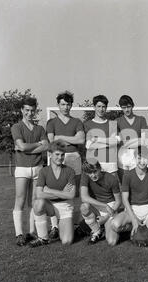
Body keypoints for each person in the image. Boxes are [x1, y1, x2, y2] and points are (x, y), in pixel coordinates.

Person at [110, 146, 148, 245]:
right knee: (114, 225)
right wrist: (134, 220)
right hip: (133, 208)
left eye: (145, 158)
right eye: (139, 158)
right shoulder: (127, 175)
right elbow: (125, 199)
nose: (142, 161)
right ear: (135, 158)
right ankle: (134, 227)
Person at [46, 91, 85, 238]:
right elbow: (52, 143)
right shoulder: (52, 122)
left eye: (68, 104)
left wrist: (60, 137)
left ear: (71, 105)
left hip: (74, 158)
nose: (66, 107)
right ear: (58, 105)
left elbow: (81, 140)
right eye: (63, 104)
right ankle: (55, 226)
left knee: (73, 192)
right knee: (55, 190)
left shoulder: (77, 122)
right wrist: (71, 139)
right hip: (57, 158)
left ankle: (74, 224)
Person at [11, 97, 49, 246]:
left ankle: (32, 232)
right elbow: (21, 146)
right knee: (19, 200)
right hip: (22, 168)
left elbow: (46, 146)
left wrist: (28, 147)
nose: (29, 113)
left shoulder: (40, 128)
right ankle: (19, 234)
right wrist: (37, 144)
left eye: (32, 110)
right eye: (26, 110)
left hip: (38, 168)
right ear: (22, 110)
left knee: (34, 202)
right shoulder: (16, 127)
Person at [29, 140, 76, 247]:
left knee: (66, 241)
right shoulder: (44, 171)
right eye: (57, 154)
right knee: (38, 203)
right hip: (50, 205)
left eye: (62, 155)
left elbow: (71, 195)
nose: (60, 157)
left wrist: (49, 190)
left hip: (65, 206)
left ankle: (61, 225)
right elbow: (39, 194)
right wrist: (62, 192)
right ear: (50, 155)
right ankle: (43, 238)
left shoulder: (70, 171)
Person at [79, 158, 121, 245]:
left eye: (95, 171)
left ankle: (107, 224)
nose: (93, 175)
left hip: (111, 206)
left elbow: (118, 202)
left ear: (99, 168)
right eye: (90, 173)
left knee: (112, 241)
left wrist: (105, 218)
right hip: (98, 204)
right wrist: (104, 205)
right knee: (84, 207)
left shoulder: (111, 179)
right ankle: (97, 232)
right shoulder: (85, 176)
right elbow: (84, 197)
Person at [84, 95, 119, 176]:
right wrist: (108, 142)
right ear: (94, 107)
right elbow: (89, 145)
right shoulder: (87, 124)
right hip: (93, 163)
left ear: (106, 108)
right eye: (99, 106)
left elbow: (115, 142)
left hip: (111, 163)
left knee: (112, 187)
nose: (101, 109)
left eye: (103, 107)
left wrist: (97, 139)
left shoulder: (112, 124)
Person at [117, 95, 147, 182]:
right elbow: (113, 140)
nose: (126, 110)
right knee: (124, 183)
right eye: (124, 107)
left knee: (137, 182)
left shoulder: (142, 119)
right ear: (121, 108)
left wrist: (129, 142)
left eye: (129, 107)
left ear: (133, 105)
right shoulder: (116, 121)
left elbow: (145, 139)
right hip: (122, 154)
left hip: (137, 154)